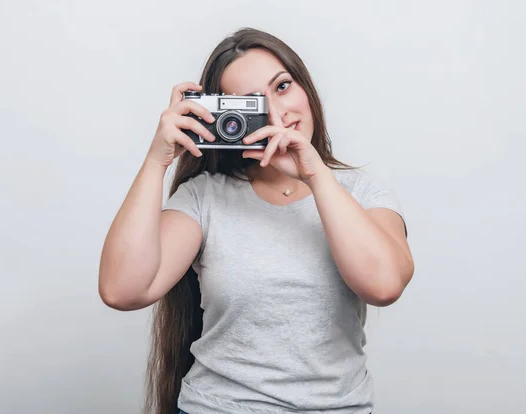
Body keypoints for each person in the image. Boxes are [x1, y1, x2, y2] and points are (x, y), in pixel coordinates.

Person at [98, 27, 414, 414]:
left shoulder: (362, 194)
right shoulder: (205, 197)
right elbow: (123, 289)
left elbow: (383, 285)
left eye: (282, 87)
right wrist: (156, 160)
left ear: (306, 88)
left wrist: (314, 173)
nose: (276, 113)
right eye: (252, 103)